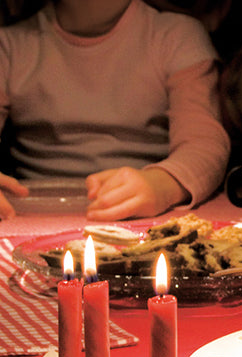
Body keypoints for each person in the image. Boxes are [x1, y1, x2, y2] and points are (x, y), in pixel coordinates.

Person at [0, 0, 230, 220]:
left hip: (145, 216)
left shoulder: (175, 35)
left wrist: (163, 184)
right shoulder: (10, 45)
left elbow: (204, 142)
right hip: (27, 214)